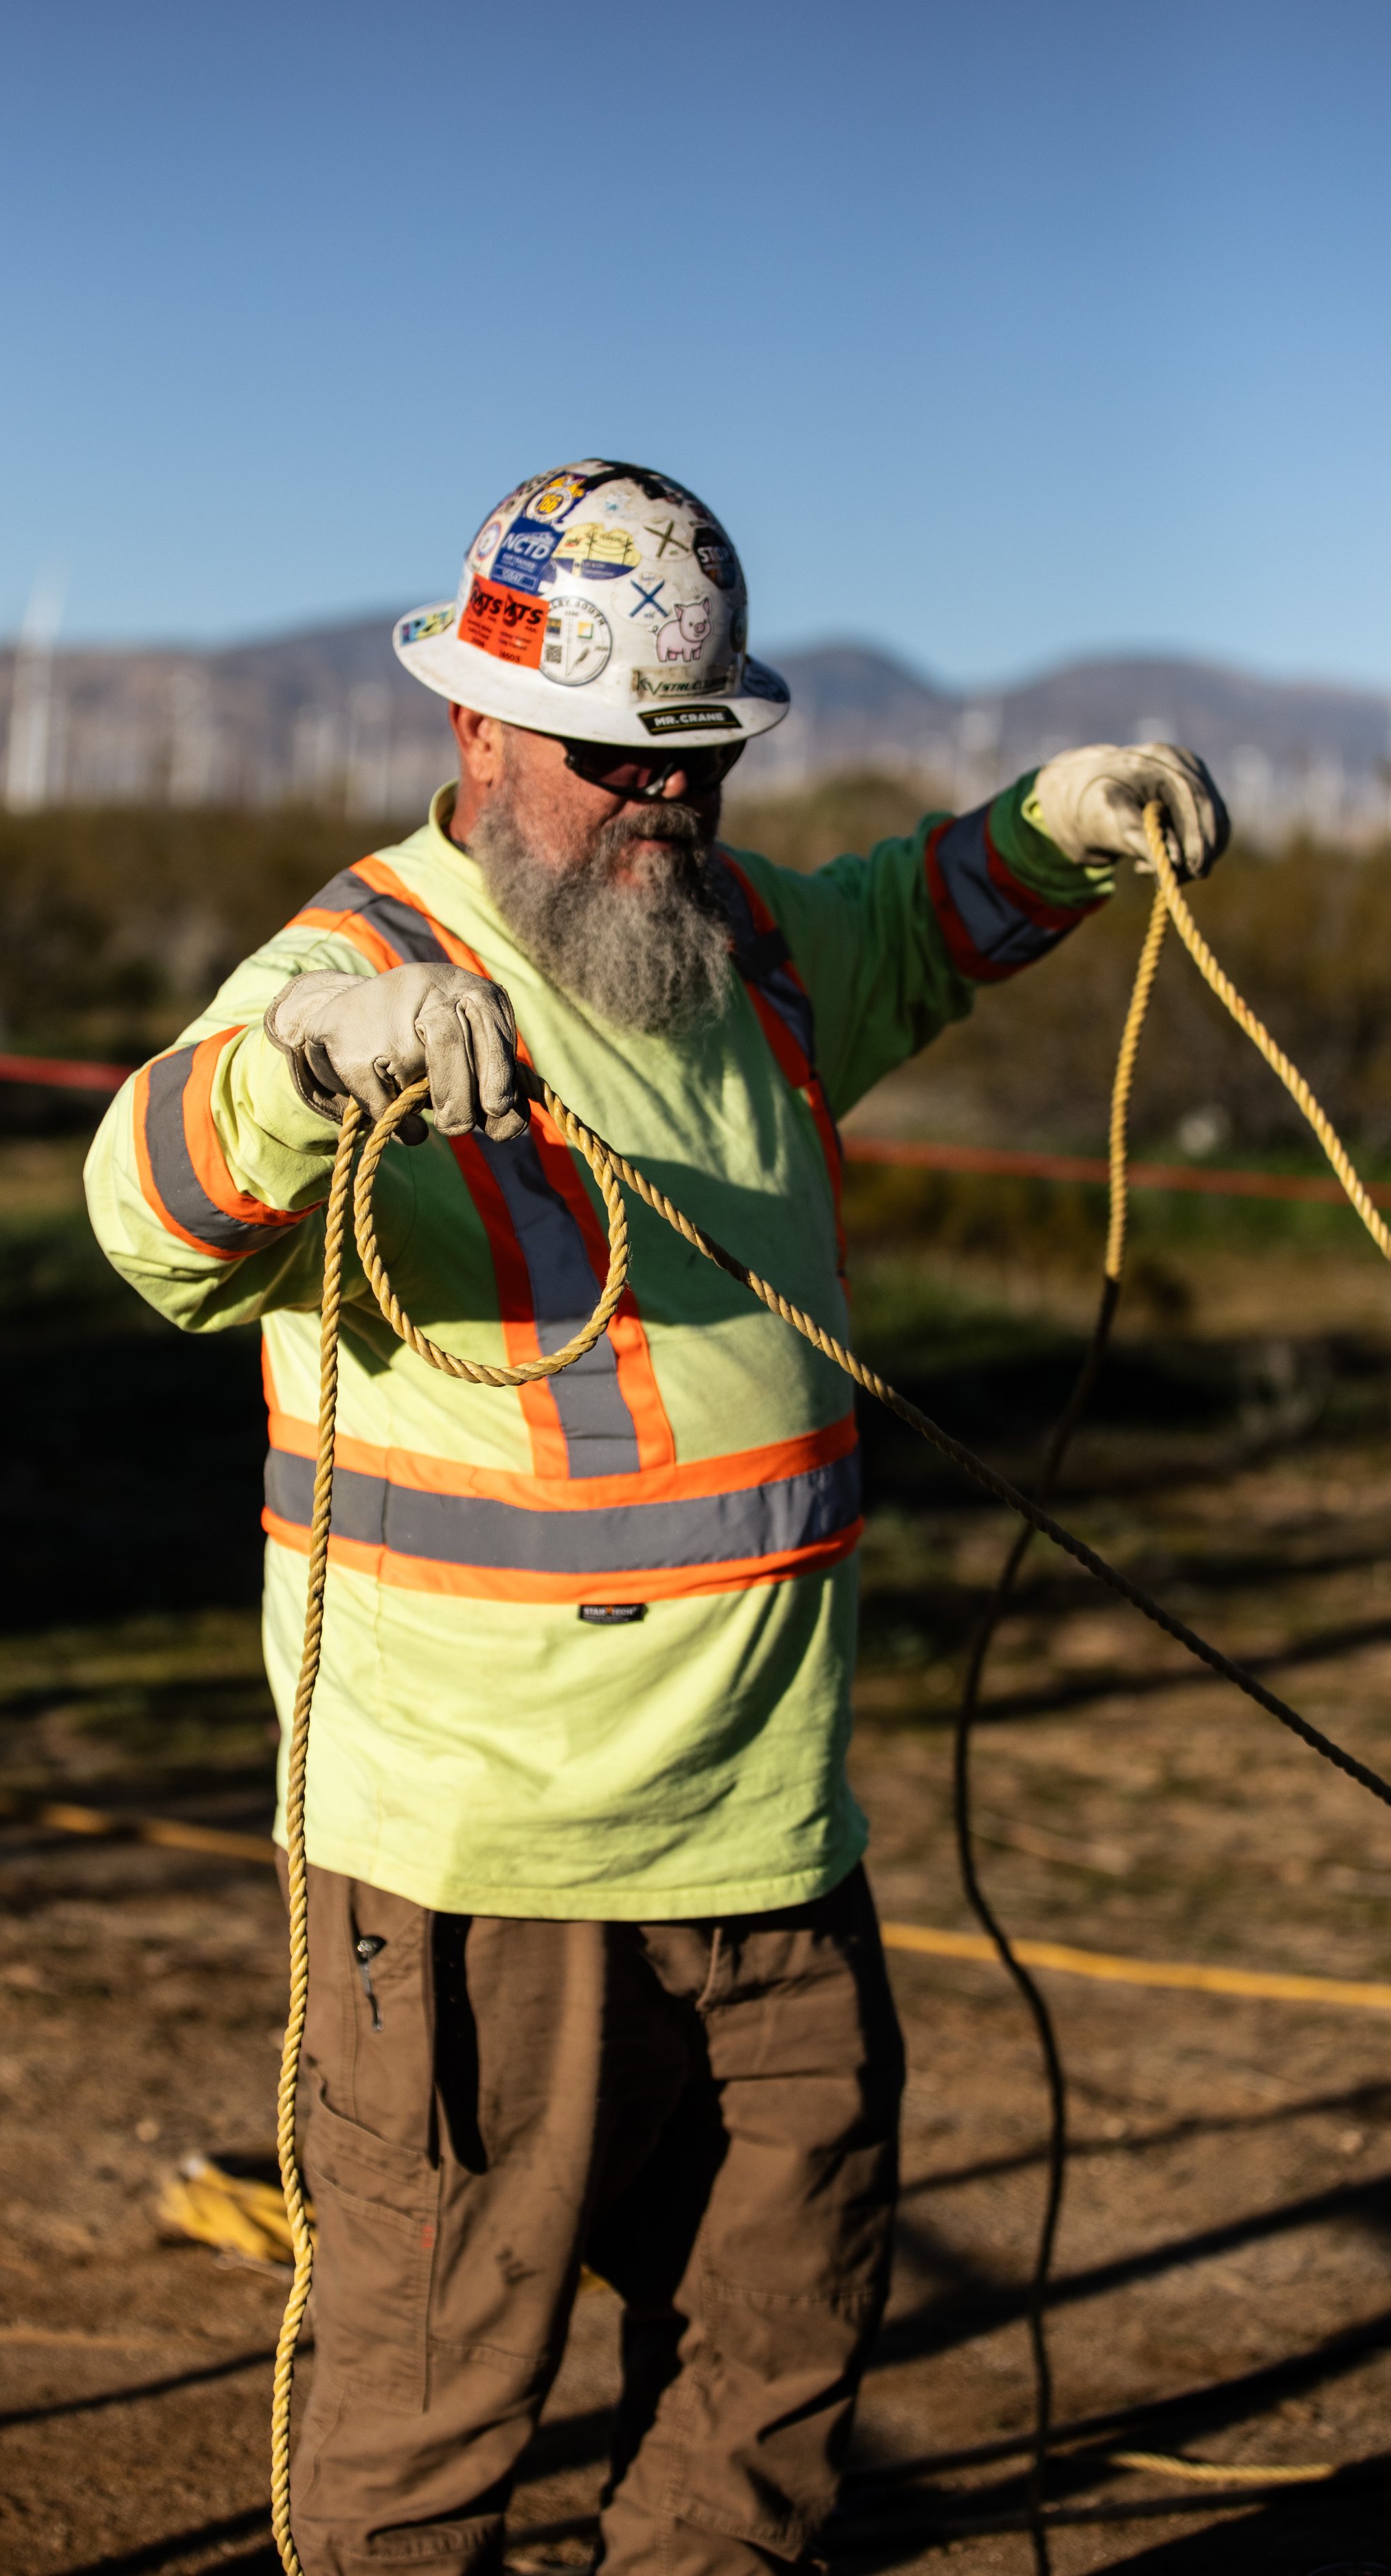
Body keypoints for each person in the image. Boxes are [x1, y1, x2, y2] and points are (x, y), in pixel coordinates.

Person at [85, 460, 1228, 2576]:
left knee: (774, 2351)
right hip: (472, 1864)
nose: (657, 804)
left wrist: (1057, 835)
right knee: (432, 2406)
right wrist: (305, 1070)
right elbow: (145, 1215)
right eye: (612, 759)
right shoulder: (346, 973)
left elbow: (915, 919)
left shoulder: (747, 953)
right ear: (476, 727)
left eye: (690, 760)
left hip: (766, 1842)